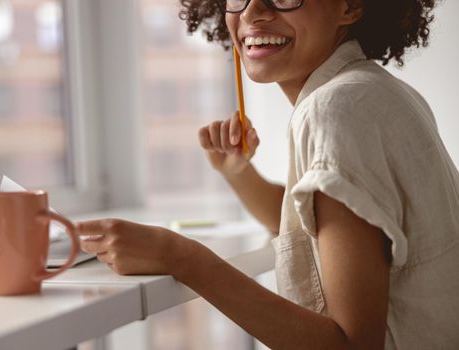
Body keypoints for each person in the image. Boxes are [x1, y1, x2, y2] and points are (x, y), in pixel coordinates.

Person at [77, 0, 459, 348]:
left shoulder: (334, 110)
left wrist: (180, 256)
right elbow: (327, 232)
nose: (252, 12)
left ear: (351, 6)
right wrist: (239, 172)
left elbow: (351, 343)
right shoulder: (374, 90)